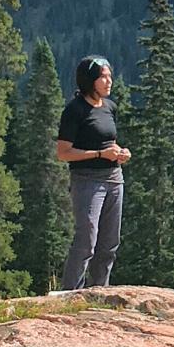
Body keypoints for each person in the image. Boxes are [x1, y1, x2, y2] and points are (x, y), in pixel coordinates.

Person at [53, 56, 131, 290]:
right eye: (102, 77)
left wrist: (120, 153)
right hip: (87, 180)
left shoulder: (109, 108)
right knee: (87, 239)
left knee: (109, 243)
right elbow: (64, 153)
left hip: (114, 178)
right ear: (89, 80)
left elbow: (110, 141)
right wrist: (98, 154)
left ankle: (99, 291)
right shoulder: (75, 110)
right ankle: (71, 292)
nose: (109, 82)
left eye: (110, 77)